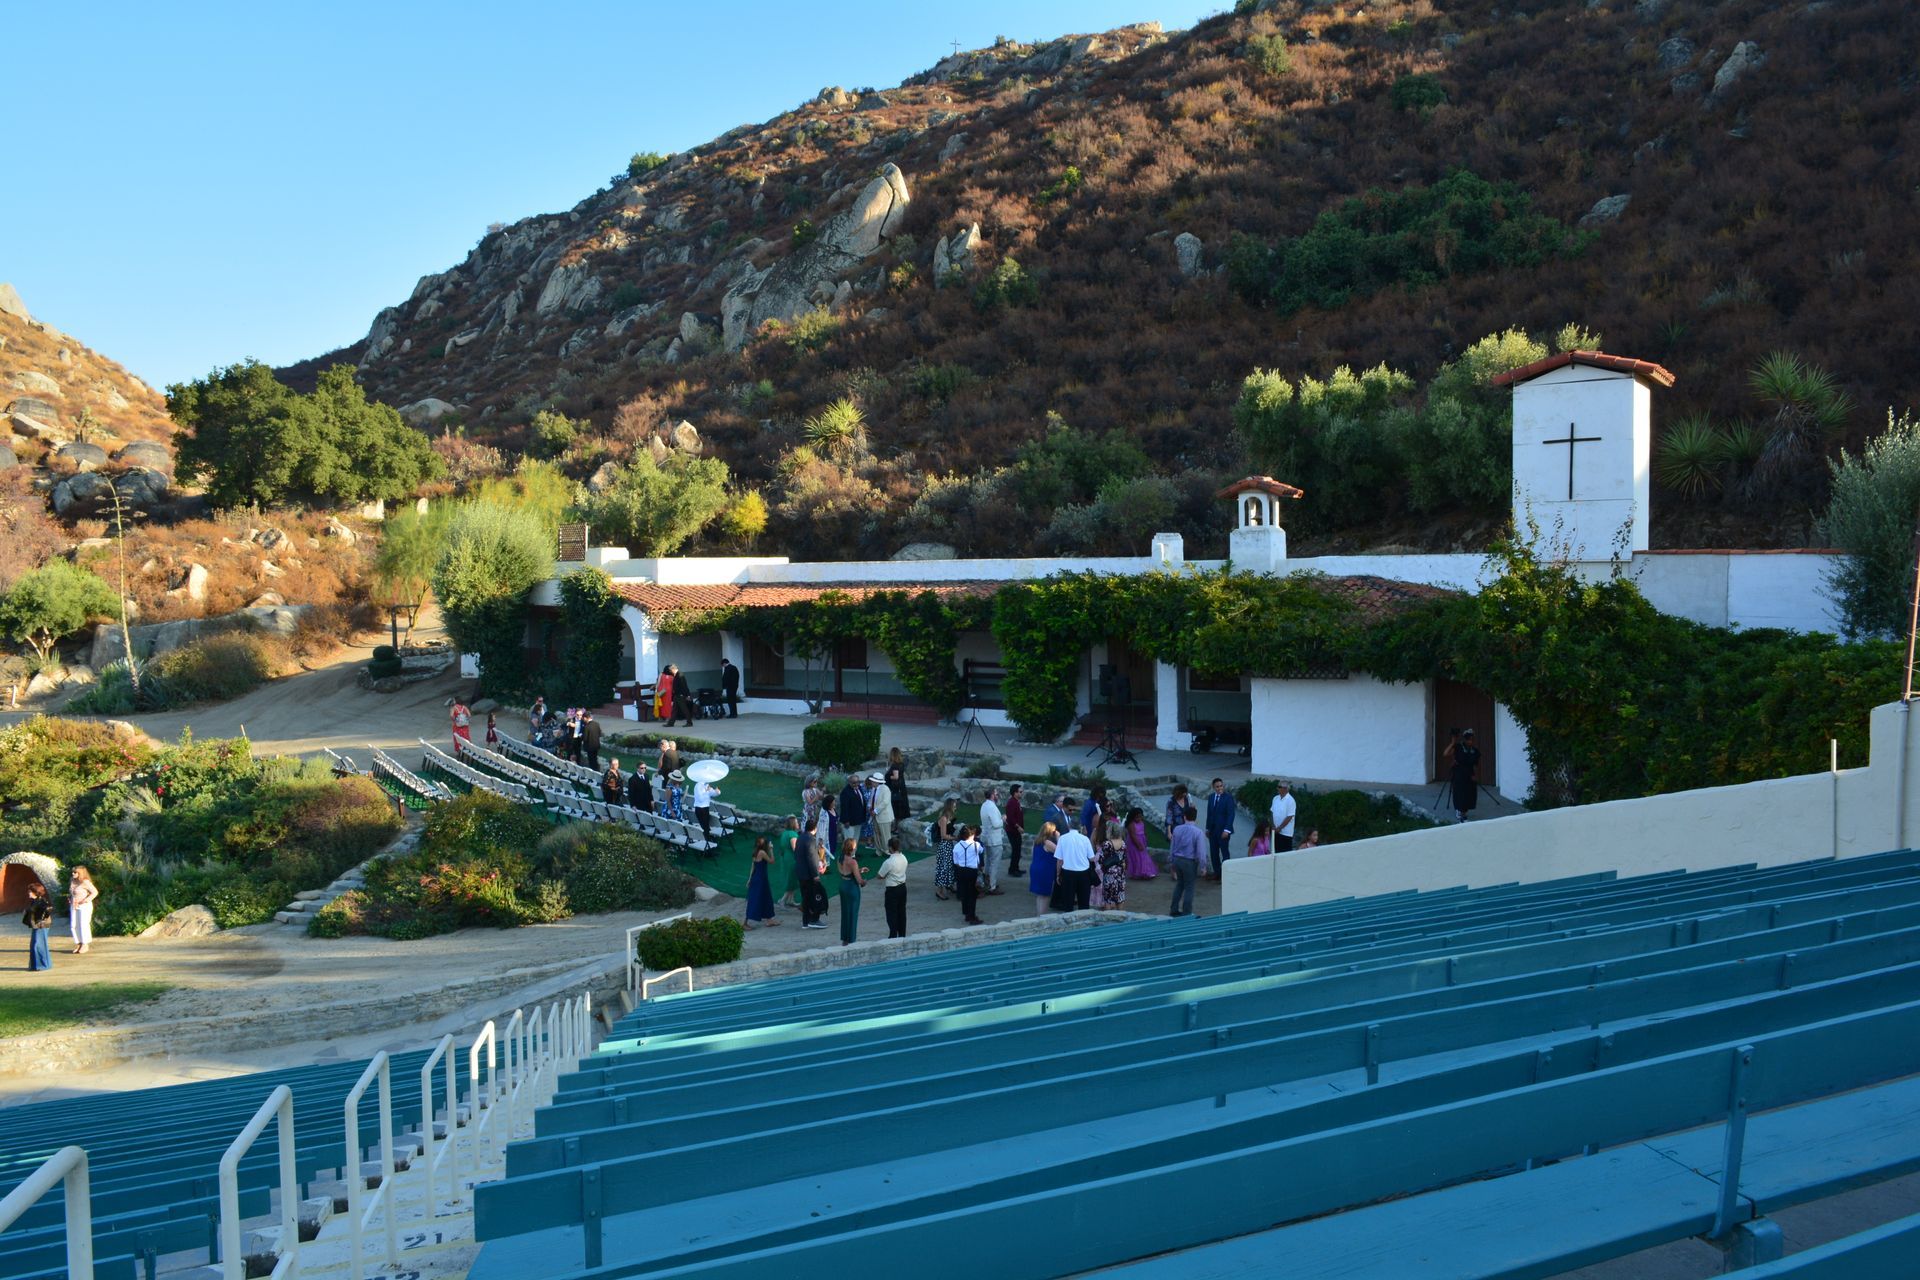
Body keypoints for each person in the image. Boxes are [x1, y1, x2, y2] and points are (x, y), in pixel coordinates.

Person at [1168, 803, 1205, 917]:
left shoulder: (1177, 829)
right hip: (1189, 862)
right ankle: (1187, 912)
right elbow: (1200, 852)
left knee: (1180, 884)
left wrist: (1171, 862)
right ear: (1195, 817)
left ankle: (1174, 910)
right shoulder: (1198, 832)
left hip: (1177, 860)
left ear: (1184, 817)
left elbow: (1172, 847)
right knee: (1189, 887)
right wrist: (1203, 866)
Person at [1054, 819, 1096, 911]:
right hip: (1084, 873)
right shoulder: (1085, 839)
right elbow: (1092, 858)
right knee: (1084, 902)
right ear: (1079, 827)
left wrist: (1058, 874)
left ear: (1069, 826)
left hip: (1068, 873)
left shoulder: (1062, 838)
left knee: (1068, 902)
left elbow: (1059, 860)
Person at [796, 817, 828, 929]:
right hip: (809, 875)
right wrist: (815, 875)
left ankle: (806, 921)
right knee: (814, 896)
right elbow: (811, 858)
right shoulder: (811, 840)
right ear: (815, 828)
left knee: (805, 898)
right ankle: (814, 919)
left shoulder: (800, 837)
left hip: (801, 873)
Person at [1445, 729, 1482, 823]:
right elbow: (1445, 753)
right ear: (1465, 740)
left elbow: (1475, 765)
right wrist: (1452, 743)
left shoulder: (1475, 750)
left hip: (1470, 775)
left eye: (1472, 739)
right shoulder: (1458, 747)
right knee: (1460, 793)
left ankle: (1464, 811)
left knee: (1469, 794)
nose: (1471, 741)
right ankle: (1459, 811)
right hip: (1459, 774)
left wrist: (1475, 775)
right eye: (1469, 739)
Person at [876, 836, 909, 938]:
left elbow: (880, 875)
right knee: (901, 912)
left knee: (891, 913)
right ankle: (902, 934)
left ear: (890, 848)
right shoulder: (904, 858)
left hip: (892, 889)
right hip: (903, 888)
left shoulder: (889, 862)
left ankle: (893, 934)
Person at [951, 824, 985, 925]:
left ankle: (966, 913)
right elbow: (981, 851)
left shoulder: (957, 846)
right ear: (971, 835)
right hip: (971, 871)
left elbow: (955, 861)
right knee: (972, 894)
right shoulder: (976, 845)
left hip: (961, 871)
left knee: (964, 893)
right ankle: (972, 916)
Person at [744, 836, 780, 929]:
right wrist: (771, 849)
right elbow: (772, 861)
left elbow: (753, 867)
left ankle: (769, 920)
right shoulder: (762, 852)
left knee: (765, 898)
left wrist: (749, 879)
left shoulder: (755, 852)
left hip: (758, 878)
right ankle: (745, 923)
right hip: (761, 879)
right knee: (755, 900)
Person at [1205, 777, 1236, 879]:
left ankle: (1226, 874)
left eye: (1221, 786)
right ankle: (1217, 873)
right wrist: (1208, 828)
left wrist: (1227, 830)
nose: (1219, 788)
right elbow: (1209, 814)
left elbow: (1231, 815)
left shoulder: (1228, 798)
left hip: (1223, 831)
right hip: (1213, 831)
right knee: (1214, 853)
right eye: (1217, 787)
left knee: (1224, 852)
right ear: (1213, 787)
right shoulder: (1211, 797)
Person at [979, 786, 1008, 894]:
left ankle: (987, 882)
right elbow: (996, 824)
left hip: (987, 837)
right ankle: (992, 886)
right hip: (994, 839)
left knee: (988, 861)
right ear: (992, 795)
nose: (997, 795)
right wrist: (1003, 819)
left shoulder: (984, 805)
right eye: (996, 793)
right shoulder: (991, 807)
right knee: (994, 863)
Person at [837, 837, 865, 945]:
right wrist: (864, 881)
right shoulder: (853, 862)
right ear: (852, 848)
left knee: (845, 912)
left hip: (843, 885)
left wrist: (858, 870)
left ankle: (845, 938)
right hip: (851, 888)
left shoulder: (841, 858)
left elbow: (843, 872)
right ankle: (851, 939)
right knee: (853, 913)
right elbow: (859, 880)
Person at [1029, 821, 1060, 916]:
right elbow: (1060, 851)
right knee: (1045, 895)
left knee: (1040, 895)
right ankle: (1042, 916)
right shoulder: (1047, 843)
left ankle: (1040, 914)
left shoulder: (1037, 841)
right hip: (1045, 870)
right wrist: (1058, 837)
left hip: (1036, 868)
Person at [931, 797, 959, 901]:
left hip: (948, 845)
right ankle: (939, 890)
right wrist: (955, 838)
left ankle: (949, 884)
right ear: (950, 806)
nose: (955, 807)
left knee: (950, 865)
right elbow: (943, 835)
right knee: (943, 867)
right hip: (944, 845)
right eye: (954, 805)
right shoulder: (943, 818)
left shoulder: (949, 818)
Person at [1098, 819, 1128, 910]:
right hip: (1120, 873)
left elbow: (1101, 859)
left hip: (1109, 873)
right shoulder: (1123, 843)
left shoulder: (1107, 844)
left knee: (1108, 898)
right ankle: (1120, 917)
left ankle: (1108, 918)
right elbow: (1124, 858)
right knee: (1120, 897)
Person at [23, 879, 52, 970]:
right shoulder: (35, 901)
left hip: (41, 925)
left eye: (30, 891)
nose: (29, 893)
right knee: (35, 944)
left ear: (36, 892)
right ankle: (36, 965)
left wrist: (42, 919)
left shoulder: (41, 901)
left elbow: (48, 909)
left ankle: (42, 966)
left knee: (38, 945)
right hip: (36, 925)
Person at [67, 866, 96, 955]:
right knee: (74, 925)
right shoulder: (72, 881)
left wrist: (86, 900)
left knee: (83, 924)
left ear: (80, 873)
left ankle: (85, 943)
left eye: (75, 872)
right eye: (73, 872)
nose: (73, 874)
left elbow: (95, 892)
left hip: (84, 906)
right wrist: (70, 899)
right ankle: (78, 943)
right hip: (74, 905)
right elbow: (72, 892)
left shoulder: (85, 882)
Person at [1124, 806, 1157, 880]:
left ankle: (1145, 872)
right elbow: (1133, 835)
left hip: (1142, 840)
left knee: (1143, 856)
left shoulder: (1142, 822)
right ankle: (1142, 872)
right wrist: (1138, 844)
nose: (1139, 819)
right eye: (1137, 817)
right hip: (1134, 842)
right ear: (1132, 817)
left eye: (1140, 817)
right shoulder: (1131, 824)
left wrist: (1146, 839)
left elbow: (1144, 832)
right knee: (1137, 857)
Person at [776, 815, 802, 909]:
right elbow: (795, 849)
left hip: (785, 857)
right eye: (796, 822)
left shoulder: (785, 833)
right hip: (792, 859)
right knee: (791, 880)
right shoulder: (792, 835)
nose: (798, 824)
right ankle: (782, 900)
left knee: (793, 879)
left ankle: (791, 900)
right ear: (793, 824)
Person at [838, 774, 868, 851]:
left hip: (858, 819)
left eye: (857, 782)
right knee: (849, 839)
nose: (856, 784)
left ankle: (853, 854)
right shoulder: (845, 792)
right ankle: (847, 855)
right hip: (849, 821)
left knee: (856, 838)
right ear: (849, 782)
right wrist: (846, 821)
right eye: (853, 783)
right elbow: (844, 807)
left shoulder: (859, 788)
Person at [884, 749, 910, 834]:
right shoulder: (900, 764)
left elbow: (895, 777)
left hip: (896, 791)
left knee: (897, 810)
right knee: (898, 810)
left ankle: (897, 829)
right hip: (900, 789)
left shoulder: (895, 765)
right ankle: (896, 828)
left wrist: (888, 775)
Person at [691, 772, 720, 846]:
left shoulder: (706, 785)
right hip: (700, 809)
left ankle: (708, 845)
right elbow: (701, 798)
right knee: (705, 828)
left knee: (706, 828)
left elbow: (712, 793)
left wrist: (717, 792)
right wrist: (707, 791)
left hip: (705, 808)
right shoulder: (698, 786)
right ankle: (706, 847)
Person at [870, 771, 895, 855]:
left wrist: (875, 811)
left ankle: (888, 851)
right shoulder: (874, 789)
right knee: (876, 834)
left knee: (885, 835)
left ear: (877, 782)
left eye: (873, 781)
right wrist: (869, 807)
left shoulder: (886, 789)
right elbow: (872, 800)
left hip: (884, 816)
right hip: (875, 816)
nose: (872, 782)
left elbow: (885, 802)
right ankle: (878, 851)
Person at [1270, 780, 1297, 852]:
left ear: (1285, 789)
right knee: (1275, 851)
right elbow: (1272, 812)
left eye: (1279, 787)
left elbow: (1290, 816)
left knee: (1284, 853)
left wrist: (1280, 828)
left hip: (1285, 833)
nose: (1277, 788)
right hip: (1275, 831)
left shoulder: (1291, 801)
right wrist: (1273, 826)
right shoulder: (1275, 798)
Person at [1005, 783, 1026, 877]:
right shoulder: (1011, 803)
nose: (1022, 793)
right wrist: (1018, 827)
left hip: (1015, 831)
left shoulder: (1016, 801)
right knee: (1015, 850)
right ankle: (1012, 870)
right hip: (1012, 831)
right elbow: (1010, 818)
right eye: (1020, 792)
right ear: (1015, 793)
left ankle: (1016, 868)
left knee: (1017, 850)